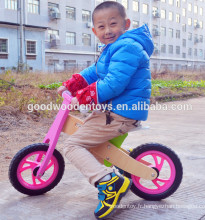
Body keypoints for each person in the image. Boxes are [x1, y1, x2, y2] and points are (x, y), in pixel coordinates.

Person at [57, 1, 154, 219]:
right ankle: (117, 169)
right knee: (89, 140)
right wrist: (73, 84)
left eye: (113, 24)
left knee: (72, 145)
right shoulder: (115, 47)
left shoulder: (127, 47)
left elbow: (114, 83)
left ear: (126, 24)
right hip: (115, 111)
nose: (108, 30)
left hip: (120, 113)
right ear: (94, 31)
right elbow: (95, 72)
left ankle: (110, 182)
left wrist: (81, 99)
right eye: (101, 26)